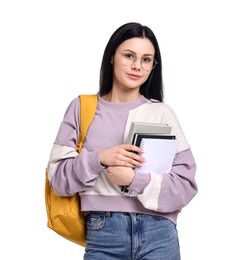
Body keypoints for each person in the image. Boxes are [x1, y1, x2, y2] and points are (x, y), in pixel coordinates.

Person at [47, 22, 198, 260]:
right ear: (112, 57)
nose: (137, 66)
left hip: (160, 233)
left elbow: (185, 186)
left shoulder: (162, 113)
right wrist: (99, 158)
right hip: (104, 233)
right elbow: (57, 178)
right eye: (129, 56)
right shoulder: (81, 108)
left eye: (146, 59)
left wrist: (134, 180)